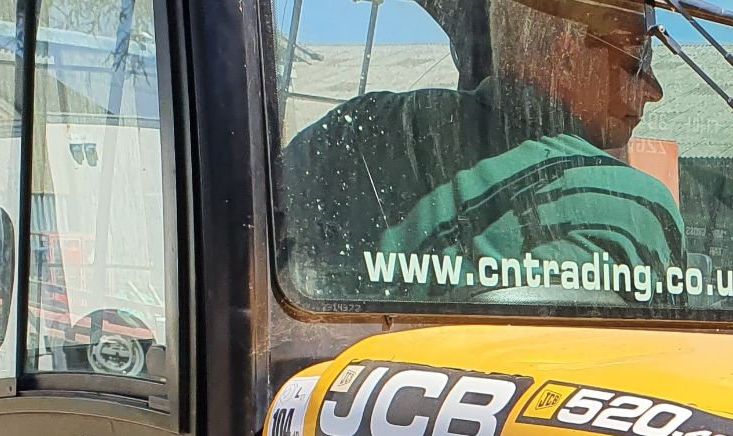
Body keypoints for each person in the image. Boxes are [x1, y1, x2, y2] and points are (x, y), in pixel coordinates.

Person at [281, 0, 686, 303]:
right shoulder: (631, 204)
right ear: (564, 54)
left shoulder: (355, 130)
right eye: (638, 58)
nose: (654, 90)